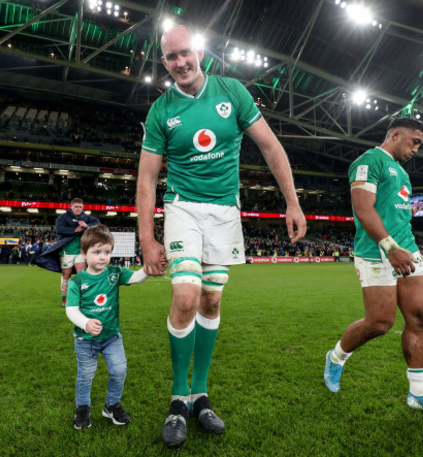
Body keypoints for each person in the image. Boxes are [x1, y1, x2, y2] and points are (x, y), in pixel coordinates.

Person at [136, 24, 307, 448]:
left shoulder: (232, 92)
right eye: (172, 57)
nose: (180, 62)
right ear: (164, 62)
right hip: (183, 208)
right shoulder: (161, 111)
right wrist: (146, 238)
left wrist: (292, 201)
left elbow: (270, 147)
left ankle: (200, 395)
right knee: (186, 295)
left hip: (225, 212)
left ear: (200, 52)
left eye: (186, 53)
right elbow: (146, 178)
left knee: (212, 298)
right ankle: (178, 399)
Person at [323, 117, 423, 418]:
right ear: (395, 134)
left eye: (420, 145)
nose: (417, 149)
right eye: (414, 141)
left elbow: (402, 219)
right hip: (376, 252)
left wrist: (414, 253)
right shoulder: (369, 161)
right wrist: (390, 247)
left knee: (419, 317)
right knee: (380, 323)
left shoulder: (402, 173)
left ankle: (419, 392)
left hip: (407, 251)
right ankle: (336, 357)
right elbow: (363, 209)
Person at [65, 225, 148, 430]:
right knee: (85, 375)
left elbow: (136, 277)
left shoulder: (114, 273)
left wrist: (149, 268)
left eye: (107, 252)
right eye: (97, 252)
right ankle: (82, 409)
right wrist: (85, 322)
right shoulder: (78, 281)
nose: (103, 257)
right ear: (84, 253)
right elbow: (71, 309)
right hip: (85, 340)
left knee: (119, 369)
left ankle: (111, 405)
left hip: (112, 337)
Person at [34, 198, 100, 306]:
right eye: (76, 207)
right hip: (66, 251)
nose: (78, 209)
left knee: (81, 274)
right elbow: (59, 229)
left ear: (83, 207)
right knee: (66, 274)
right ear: (71, 207)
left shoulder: (86, 218)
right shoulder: (63, 217)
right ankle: (64, 297)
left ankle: (81, 298)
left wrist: (86, 226)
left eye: (80, 207)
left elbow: (97, 225)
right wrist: (74, 230)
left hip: (81, 251)